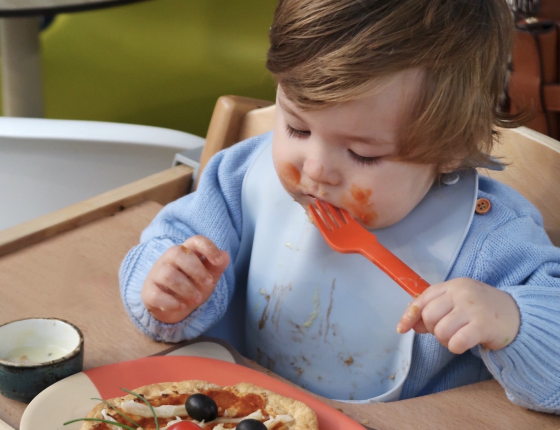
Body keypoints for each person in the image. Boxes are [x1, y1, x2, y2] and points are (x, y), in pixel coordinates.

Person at [119, 0, 560, 413]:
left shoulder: (491, 241)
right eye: (295, 127)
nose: (315, 169)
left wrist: (511, 321)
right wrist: (169, 290)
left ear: (452, 149)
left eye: (363, 154)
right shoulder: (242, 177)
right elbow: (169, 244)